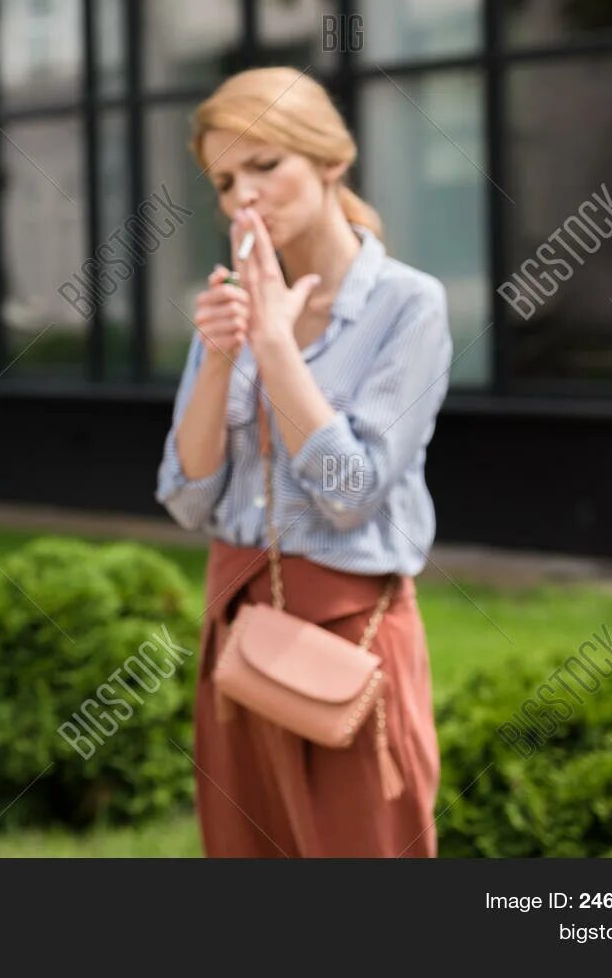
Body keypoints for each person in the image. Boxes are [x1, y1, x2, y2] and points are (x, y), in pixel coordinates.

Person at [156, 67, 448, 858]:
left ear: (329, 161)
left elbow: (352, 492)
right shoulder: (231, 300)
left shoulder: (407, 306)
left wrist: (277, 348)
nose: (243, 196)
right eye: (224, 179)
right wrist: (221, 356)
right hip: (240, 626)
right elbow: (186, 497)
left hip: (350, 631)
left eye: (265, 164)